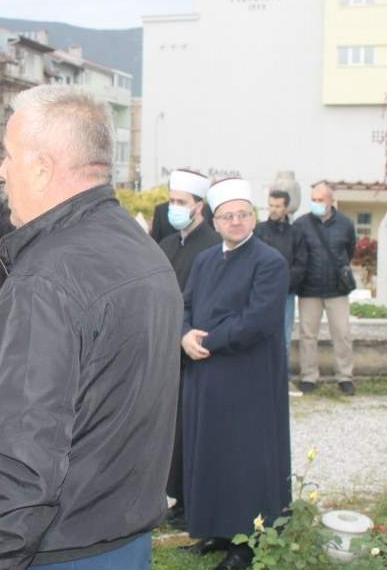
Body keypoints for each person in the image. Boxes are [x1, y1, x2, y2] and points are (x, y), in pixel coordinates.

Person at [0, 85, 181, 569]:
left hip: (56, 548)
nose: (1, 172)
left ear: (43, 167)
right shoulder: (137, 245)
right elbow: (80, 363)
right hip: (122, 536)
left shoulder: (47, 279)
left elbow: (24, 465)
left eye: (8, 156)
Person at [179, 178, 291, 570]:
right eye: (229, 216)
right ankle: (215, 528)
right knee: (209, 453)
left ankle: (247, 541)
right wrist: (183, 334)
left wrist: (205, 340)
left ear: (254, 218)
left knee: (245, 458)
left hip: (248, 377)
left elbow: (256, 322)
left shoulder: (270, 262)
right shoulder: (206, 260)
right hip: (206, 378)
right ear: (216, 221)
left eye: (244, 214)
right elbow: (185, 305)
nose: (237, 222)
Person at [157, 168, 217, 530]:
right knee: (169, 430)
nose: (174, 208)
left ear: (200, 207)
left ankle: (191, 499)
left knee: (191, 429)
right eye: (172, 201)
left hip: (194, 349)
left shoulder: (210, 245)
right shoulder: (166, 243)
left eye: (182, 202)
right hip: (165, 349)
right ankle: (173, 495)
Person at [293, 182, 357, 395]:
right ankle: (309, 376)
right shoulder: (301, 224)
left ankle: (344, 376)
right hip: (309, 289)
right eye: (314, 199)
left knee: (342, 334)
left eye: (320, 200)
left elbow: (350, 250)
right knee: (308, 335)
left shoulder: (345, 224)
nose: (316, 203)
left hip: (336, 290)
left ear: (331, 201)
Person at [254, 189, 308, 372]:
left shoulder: (296, 234)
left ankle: (281, 378)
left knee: (284, 338)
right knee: (259, 335)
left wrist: (284, 284)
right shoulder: (259, 231)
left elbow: (301, 264)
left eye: (278, 206)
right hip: (261, 294)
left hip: (286, 294)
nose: (273, 209)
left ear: (286, 207)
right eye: (271, 205)